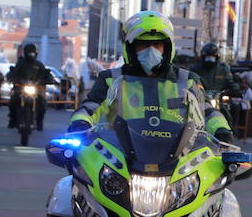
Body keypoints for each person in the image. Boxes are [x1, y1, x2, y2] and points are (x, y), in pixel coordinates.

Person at [68, 11, 233, 144]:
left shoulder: (187, 80)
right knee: (71, 183)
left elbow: (207, 111)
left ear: (167, 48)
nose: (151, 50)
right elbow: (90, 107)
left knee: (217, 184)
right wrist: (80, 123)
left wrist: (222, 130)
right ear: (131, 48)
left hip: (177, 155)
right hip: (120, 152)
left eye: (157, 45)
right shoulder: (110, 78)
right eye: (144, 44)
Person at [5, 43, 56, 131]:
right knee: (12, 101)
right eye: (29, 53)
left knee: (43, 103)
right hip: (21, 87)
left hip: (35, 89)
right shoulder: (21, 63)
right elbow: (13, 73)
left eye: (33, 53)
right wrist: (12, 78)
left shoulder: (38, 64)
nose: (31, 55)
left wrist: (49, 79)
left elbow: (46, 74)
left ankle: (39, 122)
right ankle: (12, 120)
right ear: (25, 53)